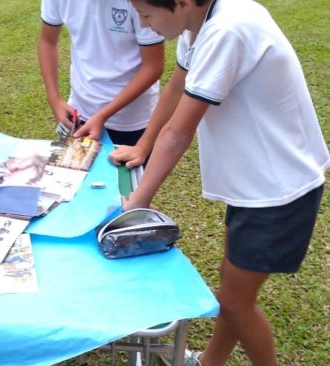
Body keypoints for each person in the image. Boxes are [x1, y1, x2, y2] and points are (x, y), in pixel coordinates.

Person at [117, 0, 329, 365]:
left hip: (277, 190)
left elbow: (178, 134)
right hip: (256, 182)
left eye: (147, 14)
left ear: (181, 4)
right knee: (234, 290)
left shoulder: (227, 30)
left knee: (235, 301)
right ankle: (208, 362)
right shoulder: (198, 24)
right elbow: (175, 89)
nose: (144, 25)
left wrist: (137, 203)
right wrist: (142, 144)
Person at [38, 0, 165, 146]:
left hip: (131, 120)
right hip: (80, 112)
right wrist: (54, 100)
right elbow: (47, 41)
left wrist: (103, 115)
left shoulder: (139, 3)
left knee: (134, 168)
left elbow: (153, 67)